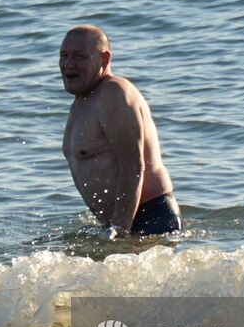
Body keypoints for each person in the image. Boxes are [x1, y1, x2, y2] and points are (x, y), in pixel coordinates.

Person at [60, 25, 180, 236]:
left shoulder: (114, 92)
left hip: (149, 218)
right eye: (64, 55)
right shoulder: (83, 101)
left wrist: (119, 231)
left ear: (104, 60)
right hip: (122, 222)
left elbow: (133, 166)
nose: (69, 64)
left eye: (79, 56)